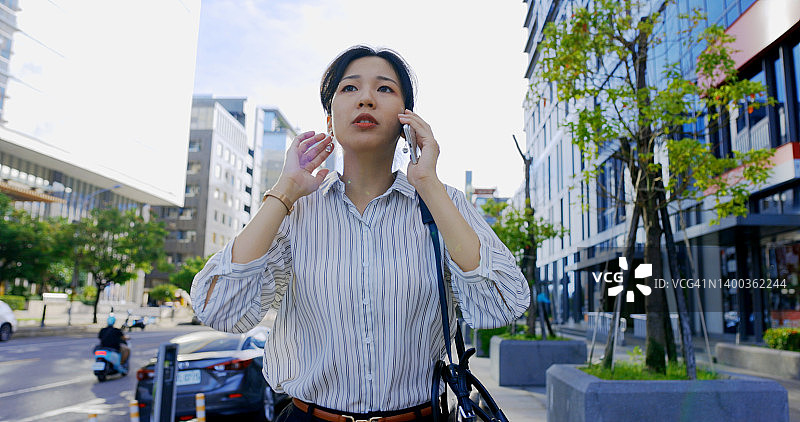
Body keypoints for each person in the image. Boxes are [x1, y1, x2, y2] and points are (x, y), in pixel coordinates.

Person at [191, 45, 530, 422]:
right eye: (349, 89)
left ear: (407, 120)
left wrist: (429, 185)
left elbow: (502, 304)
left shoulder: (441, 202)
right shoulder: (297, 208)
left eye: (384, 89)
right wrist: (284, 190)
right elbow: (218, 308)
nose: (366, 98)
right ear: (330, 118)